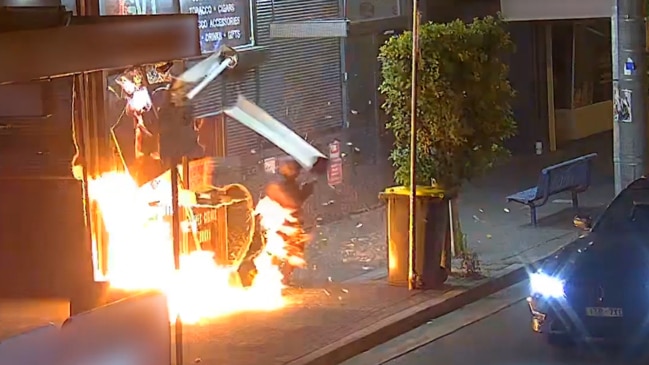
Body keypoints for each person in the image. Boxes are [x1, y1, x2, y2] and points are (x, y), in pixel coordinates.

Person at [238, 158, 315, 286]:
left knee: (290, 252)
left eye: (294, 169)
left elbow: (294, 202)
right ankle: (274, 278)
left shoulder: (290, 184)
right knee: (277, 251)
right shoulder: (281, 184)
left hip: (289, 224)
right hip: (280, 224)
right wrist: (304, 193)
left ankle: (282, 278)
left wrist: (305, 192)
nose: (294, 172)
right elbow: (290, 202)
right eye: (291, 169)